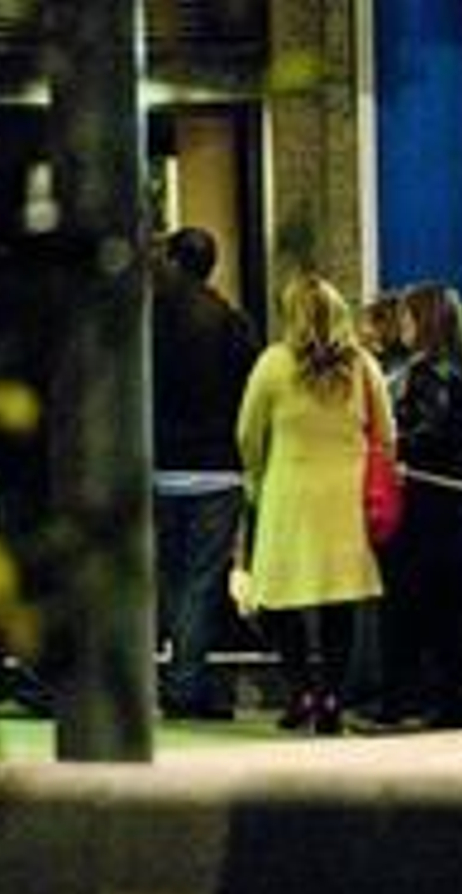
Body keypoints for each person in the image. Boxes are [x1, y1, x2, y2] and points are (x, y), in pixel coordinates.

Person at [235, 273, 393, 735]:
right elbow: (386, 432)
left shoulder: (273, 364)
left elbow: (247, 431)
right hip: (346, 500)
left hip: (287, 495)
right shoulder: (362, 365)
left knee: (277, 601)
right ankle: (333, 698)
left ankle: (301, 689)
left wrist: (257, 473)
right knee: (338, 602)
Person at [373, 283, 462, 730]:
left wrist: (392, 447)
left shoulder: (426, 373)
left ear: (425, 322)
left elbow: (427, 433)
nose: (402, 327)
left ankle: (417, 699)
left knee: (425, 603)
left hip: (433, 505)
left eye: (408, 318)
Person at [151, 226, 259, 719]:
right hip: (218, 468)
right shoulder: (233, 323)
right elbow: (249, 394)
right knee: (202, 578)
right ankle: (186, 680)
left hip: (161, 465)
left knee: (172, 575)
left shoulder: (149, 322)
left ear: (173, 261)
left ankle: (182, 677)